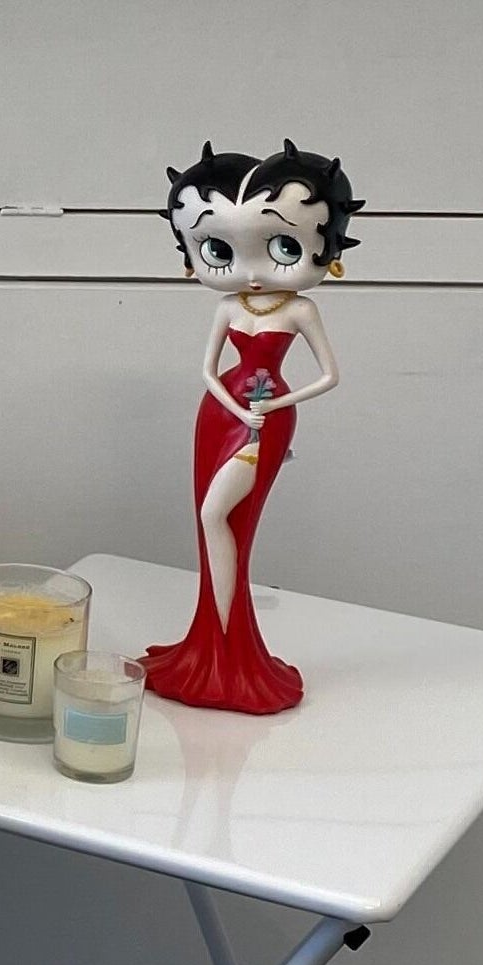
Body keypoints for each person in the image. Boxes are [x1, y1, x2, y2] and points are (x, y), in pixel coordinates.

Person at [146, 141, 362, 714]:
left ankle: (231, 648)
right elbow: (207, 371)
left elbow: (330, 375)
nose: (251, 272)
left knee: (220, 517)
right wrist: (236, 408)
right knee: (212, 521)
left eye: (283, 246)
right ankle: (211, 644)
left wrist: (277, 402)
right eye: (218, 249)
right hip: (220, 416)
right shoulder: (227, 308)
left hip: (268, 423)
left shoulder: (299, 310)